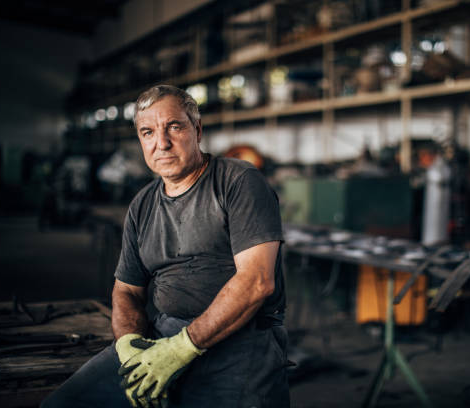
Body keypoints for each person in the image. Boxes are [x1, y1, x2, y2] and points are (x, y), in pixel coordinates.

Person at [41, 85, 289, 408]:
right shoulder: (142, 205)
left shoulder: (238, 181)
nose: (162, 143)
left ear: (196, 130)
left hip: (239, 340)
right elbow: (126, 291)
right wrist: (129, 345)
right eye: (148, 132)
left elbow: (256, 282)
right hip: (163, 335)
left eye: (174, 126)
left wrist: (181, 349)